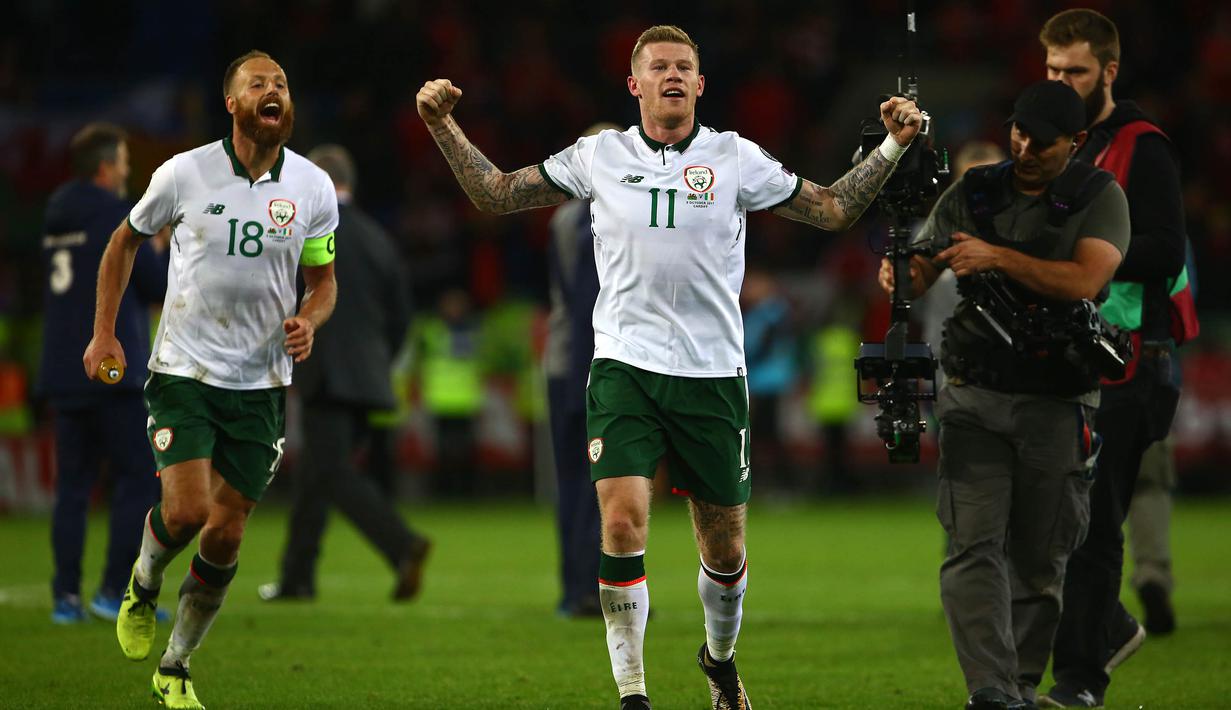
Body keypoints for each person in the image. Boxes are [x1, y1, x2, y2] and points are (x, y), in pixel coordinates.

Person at [417, 24, 922, 710]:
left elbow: (831, 208)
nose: (672, 75)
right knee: (622, 522)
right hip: (624, 365)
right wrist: (443, 125)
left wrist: (893, 144)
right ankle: (633, 695)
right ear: (635, 85)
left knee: (722, 548)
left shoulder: (733, 157)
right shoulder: (598, 154)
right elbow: (497, 193)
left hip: (712, 374)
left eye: (684, 66)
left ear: (700, 84)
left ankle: (718, 661)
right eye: (658, 67)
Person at [83, 50, 338, 710]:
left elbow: (323, 280)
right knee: (188, 512)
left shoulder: (309, 188)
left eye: (281, 82)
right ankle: (142, 585)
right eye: (258, 83)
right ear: (233, 103)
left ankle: (176, 665)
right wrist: (105, 333)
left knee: (226, 534)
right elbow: (123, 242)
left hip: (260, 383)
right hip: (185, 370)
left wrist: (309, 319)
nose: (273, 89)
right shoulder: (183, 173)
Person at [879, 80, 1130, 710]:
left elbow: (1083, 281)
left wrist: (996, 257)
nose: (1023, 148)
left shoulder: (1100, 197)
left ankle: (1018, 683)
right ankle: (990, 689)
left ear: (1074, 144)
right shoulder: (976, 189)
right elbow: (924, 267)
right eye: (1018, 132)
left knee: (1042, 559)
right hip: (974, 393)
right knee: (971, 547)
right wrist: (900, 269)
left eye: (1041, 142)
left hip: (1057, 399)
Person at [1037, 9, 1194, 707]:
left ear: (1107, 70)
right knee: (1059, 518)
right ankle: (1112, 624)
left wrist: (1082, 254)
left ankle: (1079, 679)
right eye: (1050, 71)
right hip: (1083, 355)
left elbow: (1166, 248)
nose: (1061, 82)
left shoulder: (1141, 146)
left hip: (1132, 356)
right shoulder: (1063, 144)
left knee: (1092, 523)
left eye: (1073, 70)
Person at [258, 144, 430, 604]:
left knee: (330, 474)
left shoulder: (307, 230)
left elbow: (286, 292)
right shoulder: (380, 238)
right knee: (316, 477)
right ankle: (297, 578)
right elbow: (402, 317)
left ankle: (402, 544)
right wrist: (377, 362)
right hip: (370, 379)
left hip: (326, 372)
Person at [41, 123, 168, 624]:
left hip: (62, 371)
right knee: (138, 479)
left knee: (71, 488)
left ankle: (65, 598)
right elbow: (154, 285)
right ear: (104, 167)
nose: (126, 171)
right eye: (121, 162)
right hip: (115, 369)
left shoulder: (54, 214)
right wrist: (157, 246)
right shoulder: (120, 217)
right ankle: (114, 589)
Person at [544, 123, 616, 618]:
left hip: (561, 359)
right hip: (587, 363)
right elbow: (591, 300)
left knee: (573, 482)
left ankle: (574, 587)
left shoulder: (562, 218)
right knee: (605, 481)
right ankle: (594, 589)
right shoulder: (592, 219)